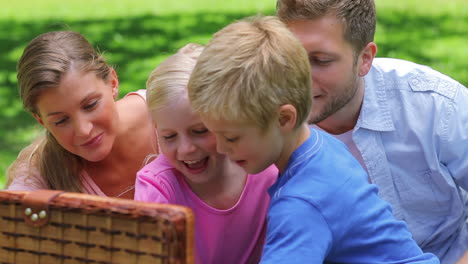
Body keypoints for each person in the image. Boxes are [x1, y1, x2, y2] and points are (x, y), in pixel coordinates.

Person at [187, 15, 439, 263]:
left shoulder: (302, 204)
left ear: (284, 119)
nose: (220, 148)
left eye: (231, 137)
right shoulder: (321, 147)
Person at [276, 0, 468, 263]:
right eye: (291, 59)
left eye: (320, 61)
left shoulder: (434, 104)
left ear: (364, 59)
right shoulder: (263, 122)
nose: (300, 78)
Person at [134, 43, 278, 264]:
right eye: (169, 137)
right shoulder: (157, 187)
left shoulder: (266, 168)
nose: (186, 149)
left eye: (200, 131)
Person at [6, 31, 156, 199]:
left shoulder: (170, 114)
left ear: (112, 83)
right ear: (41, 121)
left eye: (90, 105)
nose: (84, 130)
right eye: (61, 120)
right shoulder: (40, 172)